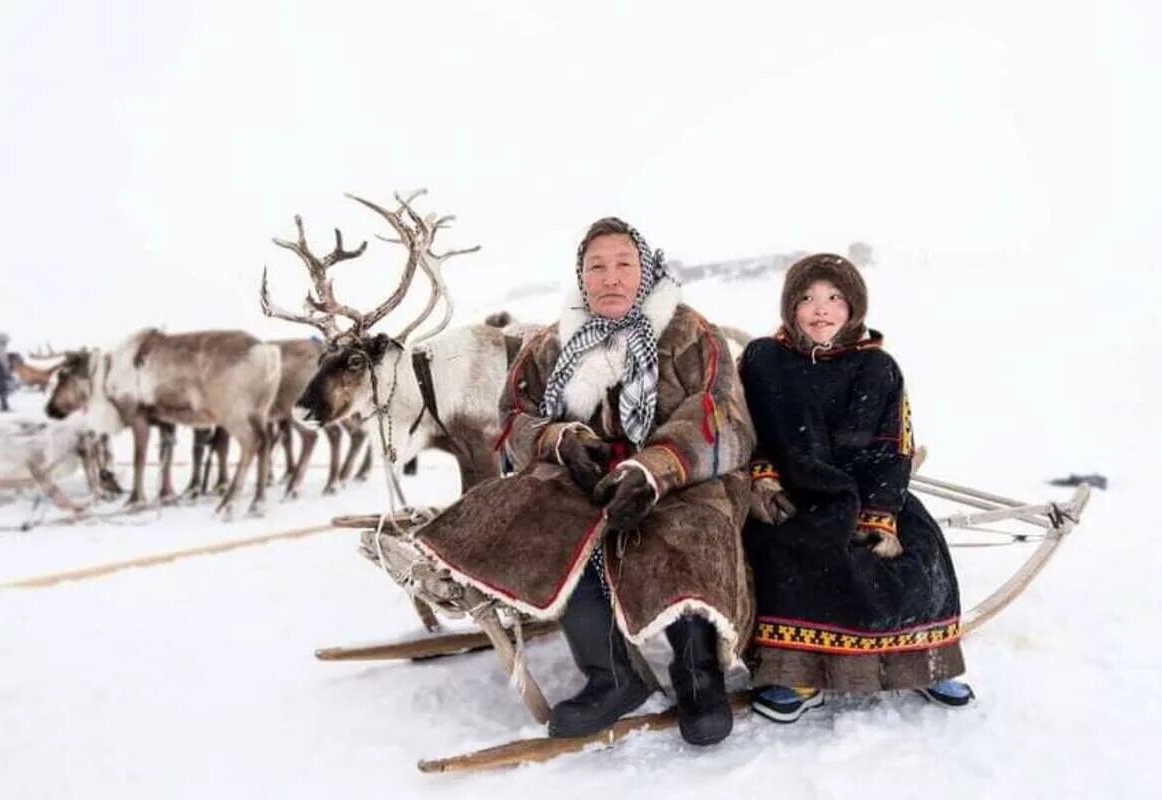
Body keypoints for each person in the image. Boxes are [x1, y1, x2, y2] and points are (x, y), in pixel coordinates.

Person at [415, 217, 755, 745]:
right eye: (597, 267)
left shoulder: (689, 334)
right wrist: (559, 441)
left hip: (679, 478)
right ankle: (612, 675)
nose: (611, 277)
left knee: (689, 530)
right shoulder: (551, 345)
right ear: (582, 277)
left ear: (644, 270)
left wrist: (654, 468)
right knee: (545, 521)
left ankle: (697, 673)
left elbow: (722, 417)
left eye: (624, 264)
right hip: (587, 480)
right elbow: (513, 418)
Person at [738, 253, 973, 724]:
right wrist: (761, 482)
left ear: (854, 308)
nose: (820, 309)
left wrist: (881, 514)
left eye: (833, 298)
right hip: (792, 493)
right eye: (806, 298)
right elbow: (747, 430)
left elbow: (893, 449)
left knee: (920, 548)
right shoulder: (766, 360)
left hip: (867, 490)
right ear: (790, 307)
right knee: (791, 550)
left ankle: (923, 660)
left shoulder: (877, 367)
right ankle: (796, 674)